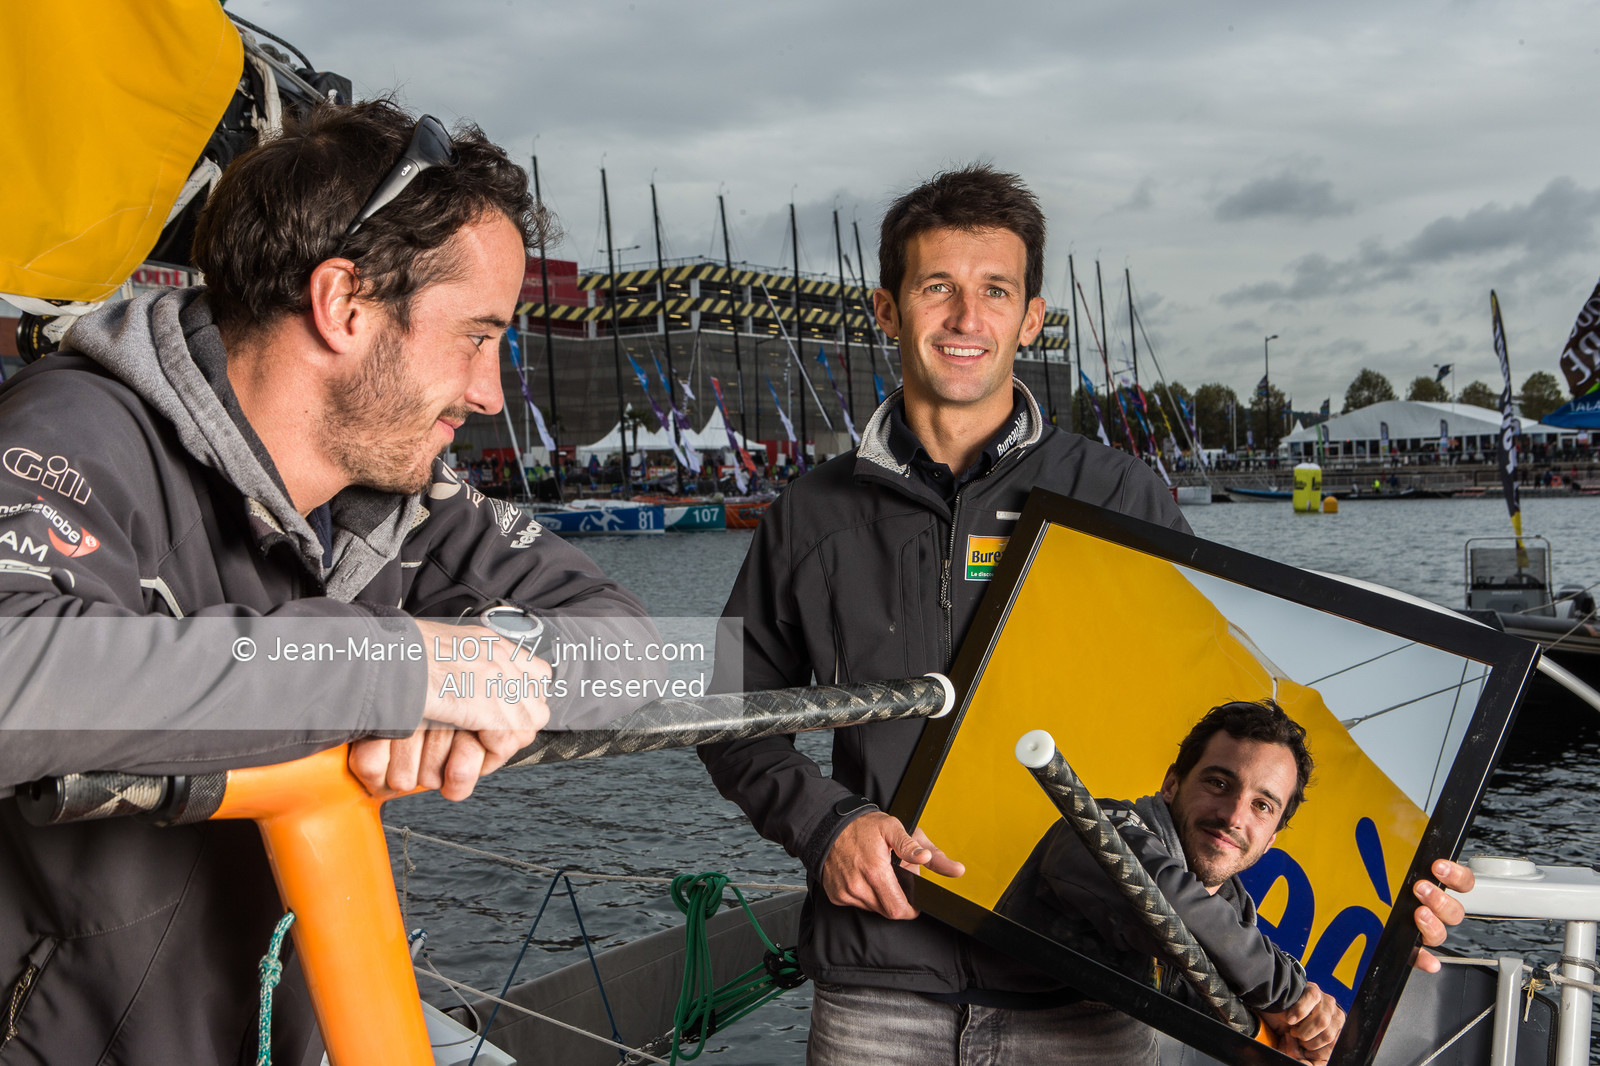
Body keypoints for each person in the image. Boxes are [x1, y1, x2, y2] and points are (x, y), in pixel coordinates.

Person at [699, 164, 1477, 1065]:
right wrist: (826, 824)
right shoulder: (813, 511)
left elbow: (1247, 721)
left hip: (1087, 990)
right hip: (882, 983)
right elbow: (727, 704)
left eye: (995, 291)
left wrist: (1397, 905)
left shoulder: (1120, 497)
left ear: (1031, 319)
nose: (965, 319)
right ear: (886, 310)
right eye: (936, 288)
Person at [0, 100, 654, 1063]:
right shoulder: (71, 430)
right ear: (343, 304)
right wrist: (399, 670)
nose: (489, 394)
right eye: (476, 337)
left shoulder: (409, 495)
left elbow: (638, 646)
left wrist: (489, 670)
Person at [998, 701, 1342, 1064]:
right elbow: (1169, 905)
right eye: (1219, 783)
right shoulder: (1098, 827)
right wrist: (1289, 996)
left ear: (1271, 839)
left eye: (1262, 806)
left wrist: (1295, 1035)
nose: (1233, 815)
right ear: (1171, 784)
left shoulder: (1236, 923)